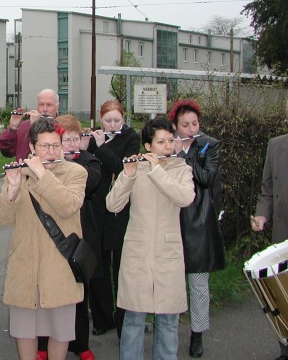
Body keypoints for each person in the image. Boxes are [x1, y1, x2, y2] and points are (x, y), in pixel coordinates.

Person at [0, 117, 87, 360]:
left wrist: (42, 174)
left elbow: (68, 205)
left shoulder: (76, 172)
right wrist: (11, 192)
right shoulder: (18, 174)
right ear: (32, 147)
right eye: (44, 146)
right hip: (25, 266)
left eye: (56, 145)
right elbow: (0, 219)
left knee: (60, 332)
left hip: (60, 268)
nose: (51, 151)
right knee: (24, 331)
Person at [106, 117, 194, 360]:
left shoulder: (181, 169)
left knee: (167, 321)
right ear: (148, 146)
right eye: (160, 142)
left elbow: (185, 198)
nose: (167, 147)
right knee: (133, 320)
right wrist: (128, 176)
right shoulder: (136, 169)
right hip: (138, 253)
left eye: (170, 141)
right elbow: (112, 204)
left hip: (168, 254)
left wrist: (156, 170)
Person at [37, 114, 102, 360]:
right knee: (47, 296)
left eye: (77, 139)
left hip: (81, 237)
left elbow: (92, 182)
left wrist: (78, 157)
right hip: (52, 237)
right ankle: (43, 346)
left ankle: (81, 344)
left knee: (78, 295)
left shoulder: (88, 162)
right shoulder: (45, 165)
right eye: (67, 140)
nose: (72, 145)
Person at [168, 99, 225, 358]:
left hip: (199, 221)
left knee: (199, 283)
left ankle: (197, 333)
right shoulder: (166, 144)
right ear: (175, 126)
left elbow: (205, 179)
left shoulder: (208, 145)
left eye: (194, 124)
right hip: (172, 219)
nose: (190, 129)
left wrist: (182, 156)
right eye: (185, 125)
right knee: (171, 279)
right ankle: (167, 330)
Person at [85, 100, 140, 338]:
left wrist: (102, 147)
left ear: (124, 119)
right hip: (97, 210)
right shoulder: (94, 136)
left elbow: (122, 168)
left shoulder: (131, 138)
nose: (112, 124)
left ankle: (123, 317)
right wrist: (93, 144)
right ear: (100, 118)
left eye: (117, 120)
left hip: (120, 211)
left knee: (120, 267)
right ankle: (102, 317)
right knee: (98, 267)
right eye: (108, 120)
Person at [252, 91, 288, 360]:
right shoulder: (276, 145)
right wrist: (262, 215)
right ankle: (287, 349)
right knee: (282, 296)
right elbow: (266, 190)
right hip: (283, 233)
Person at [0, 89, 59, 160]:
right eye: (41, 105)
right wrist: (13, 128)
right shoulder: (24, 126)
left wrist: (35, 126)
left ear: (57, 107)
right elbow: (7, 152)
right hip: (22, 170)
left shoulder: (62, 127)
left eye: (49, 105)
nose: (44, 109)